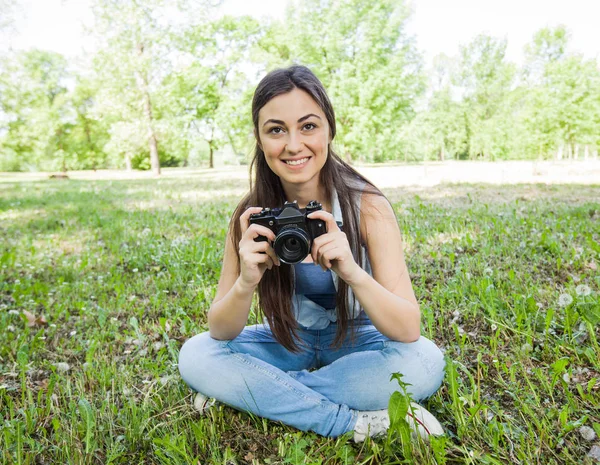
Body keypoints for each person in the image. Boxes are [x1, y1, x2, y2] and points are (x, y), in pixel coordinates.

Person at [178, 65, 446, 442]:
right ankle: (353, 422)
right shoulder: (251, 215)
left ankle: (257, 393)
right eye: (276, 130)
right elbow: (221, 330)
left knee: (425, 361)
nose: (293, 145)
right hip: (291, 340)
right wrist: (245, 282)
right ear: (259, 138)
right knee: (197, 354)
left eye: (308, 126)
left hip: (357, 341)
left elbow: (407, 329)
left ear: (329, 130)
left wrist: (352, 270)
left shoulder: (366, 206)